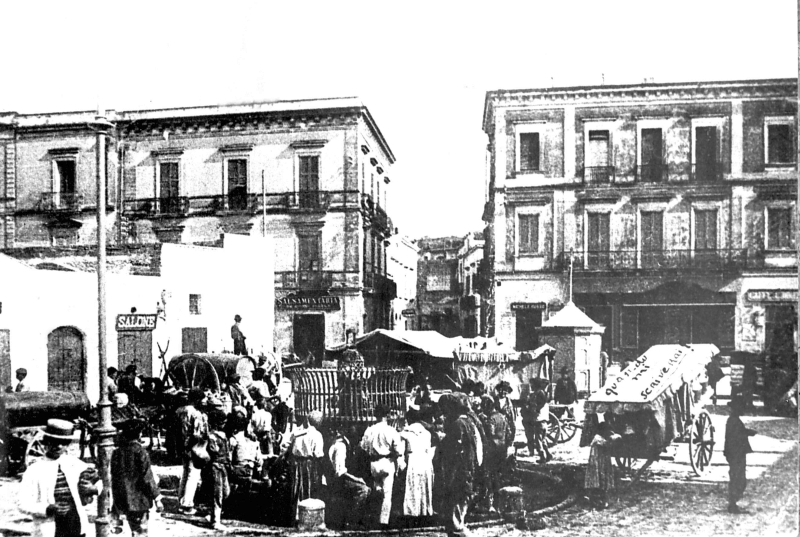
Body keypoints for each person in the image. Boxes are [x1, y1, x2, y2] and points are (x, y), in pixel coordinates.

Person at [19, 419, 101, 537]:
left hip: (75, 525)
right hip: (50, 528)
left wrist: (93, 489)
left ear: (68, 444)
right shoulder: (34, 470)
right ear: (46, 442)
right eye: (54, 442)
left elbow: (100, 482)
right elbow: (22, 503)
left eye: (63, 443)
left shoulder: (74, 464)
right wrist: (47, 509)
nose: (59, 446)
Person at [111, 419, 163, 536]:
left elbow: (115, 479)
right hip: (140, 500)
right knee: (141, 532)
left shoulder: (117, 453)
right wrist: (157, 498)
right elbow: (147, 478)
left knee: (135, 529)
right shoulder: (141, 452)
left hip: (124, 499)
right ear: (139, 434)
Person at [438, 393, 480, 537]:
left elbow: (454, 449)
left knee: (457, 495)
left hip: (459, 466)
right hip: (468, 464)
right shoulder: (469, 421)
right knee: (463, 496)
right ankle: (458, 525)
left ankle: (458, 528)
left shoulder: (458, 424)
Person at [359, 403, 405, 528]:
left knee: (376, 489)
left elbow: (363, 446)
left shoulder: (370, 430)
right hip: (387, 462)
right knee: (387, 493)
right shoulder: (391, 430)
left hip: (373, 463)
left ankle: (373, 516)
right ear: (388, 415)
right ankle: (383, 521)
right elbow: (399, 450)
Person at [327, 425, 371, 529]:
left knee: (367, 485)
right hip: (337, 480)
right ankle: (352, 521)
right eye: (358, 436)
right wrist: (358, 480)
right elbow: (340, 472)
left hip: (341, 478)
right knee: (363, 489)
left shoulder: (348, 444)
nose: (360, 440)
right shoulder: (341, 446)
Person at [284, 411, 325, 522]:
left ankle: (294, 516)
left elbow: (287, 445)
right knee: (308, 487)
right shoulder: (317, 435)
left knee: (296, 487)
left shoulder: (297, 431)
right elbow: (318, 454)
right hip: (309, 463)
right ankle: (306, 517)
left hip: (295, 462)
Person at [176, 388, 208, 515]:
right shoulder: (196, 414)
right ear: (197, 399)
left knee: (185, 474)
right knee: (193, 475)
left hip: (182, 445)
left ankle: (181, 500)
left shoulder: (180, 410)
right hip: (193, 446)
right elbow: (196, 434)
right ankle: (187, 504)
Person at [480, 395, 514, 512]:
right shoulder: (502, 416)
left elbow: (490, 432)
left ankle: (490, 503)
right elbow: (509, 432)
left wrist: (484, 424)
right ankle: (500, 502)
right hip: (502, 448)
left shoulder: (491, 419)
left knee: (490, 475)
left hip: (492, 449)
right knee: (499, 475)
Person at [400, 409, 434, 522]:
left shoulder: (405, 434)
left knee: (413, 485)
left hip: (413, 459)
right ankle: (425, 510)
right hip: (425, 459)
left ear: (408, 420)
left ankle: (412, 512)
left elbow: (401, 450)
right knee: (425, 485)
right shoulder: (427, 433)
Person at [725, 395, 758, 514]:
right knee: (738, 479)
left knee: (736, 477)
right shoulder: (734, 421)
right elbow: (736, 437)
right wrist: (748, 432)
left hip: (734, 454)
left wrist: (748, 432)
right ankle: (733, 504)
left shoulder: (733, 420)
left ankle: (734, 503)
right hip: (737, 454)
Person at [203, 409, 231, 531]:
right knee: (218, 494)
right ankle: (215, 521)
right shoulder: (212, 436)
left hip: (222, 466)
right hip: (216, 466)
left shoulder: (220, 435)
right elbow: (214, 451)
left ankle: (213, 515)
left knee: (225, 492)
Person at [584, 420, 621, 510]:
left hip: (600, 461)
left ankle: (598, 499)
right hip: (597, 462)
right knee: (598, 479)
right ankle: (597, 501)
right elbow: (607, 444)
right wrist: (616, 437)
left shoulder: (599, 438)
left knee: (600, 479)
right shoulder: (598, 439)